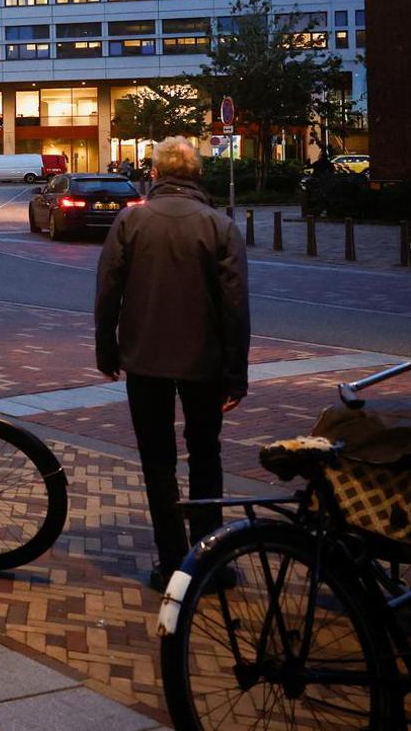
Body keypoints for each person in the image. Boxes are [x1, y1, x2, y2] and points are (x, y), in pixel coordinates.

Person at [95, 136, 249, 593]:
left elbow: (108, 291)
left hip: (144, 360)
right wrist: (236, 373)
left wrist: (108, 348)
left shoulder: (131, 221)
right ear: (197, 174)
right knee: (206, 455)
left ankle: (170, 562)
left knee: (157, 462)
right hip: (205, 362)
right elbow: (235, 305)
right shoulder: (219, 226)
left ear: (156, 173)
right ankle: (210, 560)